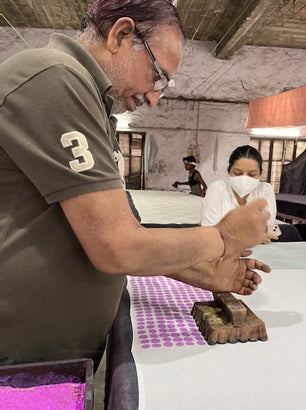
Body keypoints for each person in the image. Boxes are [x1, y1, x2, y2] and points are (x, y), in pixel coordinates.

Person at [0, 0, 271, 370]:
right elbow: (117, 247)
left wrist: (202, 271)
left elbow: (110, 231)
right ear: (121, 35)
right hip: (17, 359)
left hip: (47, 357)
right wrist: (224, 237)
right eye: (158, 76)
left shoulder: (93, 105)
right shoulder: (54, 78)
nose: (155, 98)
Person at [201, 145, 281, 242]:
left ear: (260, 173)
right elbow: (210, 231)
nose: (244, 179)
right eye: (238, 173)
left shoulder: (265, 189)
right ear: (229, 171)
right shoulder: (217, 188)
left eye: (252, 174)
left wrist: (227, 229)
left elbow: (268, 228)